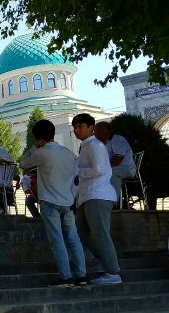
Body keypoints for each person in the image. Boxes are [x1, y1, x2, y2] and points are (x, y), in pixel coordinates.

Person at [20, 119, 88, 286]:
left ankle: (66, 276)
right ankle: (82, 275)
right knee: (73, 239)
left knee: (57, 240)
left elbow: (23, 163)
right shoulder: (68, 153)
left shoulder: (41, 153)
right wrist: (72, 197)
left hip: (49, 201)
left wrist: (34, 147)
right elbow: (76, 178)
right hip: (68, 201)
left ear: (38, 137)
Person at [72, 113, 122, 285]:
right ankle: (107, 263)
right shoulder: (86, 146)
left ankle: (113, 273)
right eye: (74, 127)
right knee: (81, 234)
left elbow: (98, 170)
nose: (76, 130)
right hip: (87, 196)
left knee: (100, 234)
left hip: (98, 195)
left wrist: (76, 171)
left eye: (80, 126)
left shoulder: (94, 145)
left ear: (91, 128)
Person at [93, 121, 136, 206]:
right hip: (110, 168)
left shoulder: (118, 140)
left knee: (113, 173)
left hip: (126, 169)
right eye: (96, 131)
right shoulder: (100, 143)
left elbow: (117, 160)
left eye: (99, 130)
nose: (96, 133)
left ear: (108, 131)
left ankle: (113, 202)